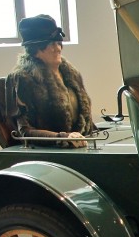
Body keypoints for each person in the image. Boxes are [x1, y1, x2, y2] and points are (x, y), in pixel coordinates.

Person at [6, 14, 94, 147]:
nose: (58, 48)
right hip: (48, 153)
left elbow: (84, 120)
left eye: (58, 43)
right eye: (51, 44)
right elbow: (25, 131)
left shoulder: (71, 75)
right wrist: (63, 138)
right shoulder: (23, 78)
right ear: (36, 50)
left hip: (79, 149)